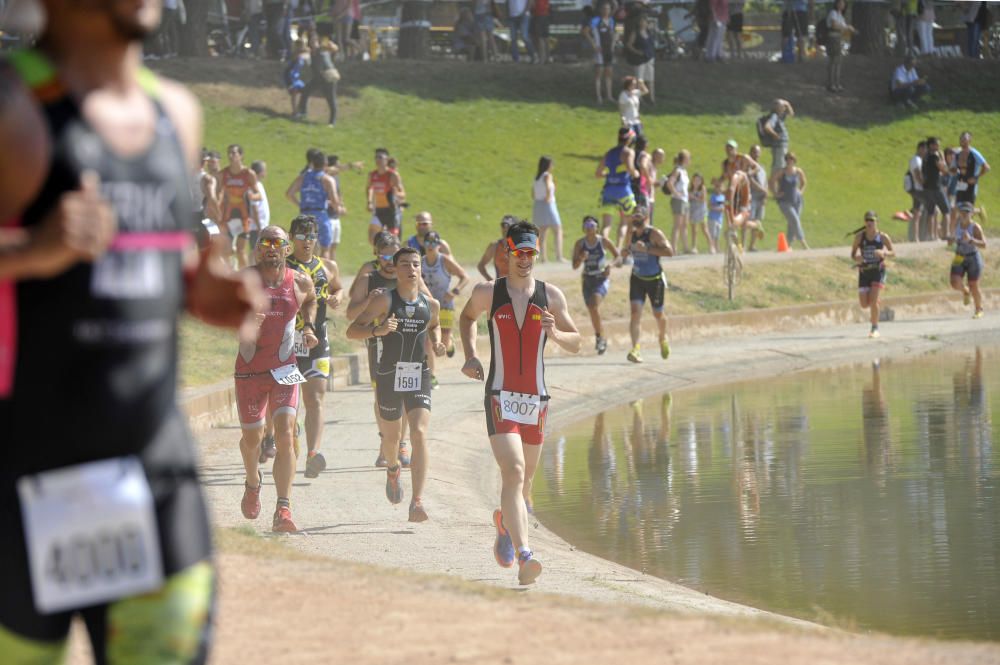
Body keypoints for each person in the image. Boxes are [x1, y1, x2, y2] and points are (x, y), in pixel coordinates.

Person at [0, 3, 264, 659]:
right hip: (22, 482)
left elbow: (151, 267)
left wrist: (197, 290)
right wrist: (30, 252)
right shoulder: (13, 107)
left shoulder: (177, 114)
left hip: (152, 475)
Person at [459, 221, 582, 585]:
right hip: (499, 395)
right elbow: (467, 318)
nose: (525, 259)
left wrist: (554, 332)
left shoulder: (551, 297)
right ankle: (526, 555)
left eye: (531, 253)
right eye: (519, 252)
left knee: (524, 485)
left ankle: (504, 523)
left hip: (536, 400)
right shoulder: (488, 292)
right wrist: (470, 354)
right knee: (512, 471)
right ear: (507, 252)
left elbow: (577, 340)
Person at [347, 248, 446, 521]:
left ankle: (417, 501)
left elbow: (435, 325)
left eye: (416, 264)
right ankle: (392, 469)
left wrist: (437, 342)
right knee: (392, 439)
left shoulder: (430, 304)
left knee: (419, 433)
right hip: (389, 375)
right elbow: (352, 330)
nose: (411, 269)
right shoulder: (384, 301)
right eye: (405, 264)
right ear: (396, 269)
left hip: (419, 375)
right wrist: (377, 330)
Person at [236, 227, 318, 533]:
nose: (272, 248)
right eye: (265, 243)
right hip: (249, 371)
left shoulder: (299, 280)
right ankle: (253, 482)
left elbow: (310, 299)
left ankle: (283, 508)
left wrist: (308, 326)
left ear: (287, 248)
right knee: (252, 440)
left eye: (278, 243)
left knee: (285, 435)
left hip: (285, 369)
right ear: (257, 250)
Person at [346, 233, 416, 468]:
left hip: (407, 342)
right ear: (376, 255)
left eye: (393, 256)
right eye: (384, 255)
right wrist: (369, 301)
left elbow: (426, 301)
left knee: (405, 395)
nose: (389, 260)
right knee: (382, 397)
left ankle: (402, 443)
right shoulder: (370, 277)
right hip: (379, 344)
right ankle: (387, 441)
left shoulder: (408, 276)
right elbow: (350, 314)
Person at [286, 215, 344, 478]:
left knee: (316, 396)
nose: (307, 241)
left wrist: (335, 298)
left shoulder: (328, 265)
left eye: (311, 236)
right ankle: (290, 431)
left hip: (318, 338)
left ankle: (313, 453)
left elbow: (339, 288)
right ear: (291, 238)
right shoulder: (283, 266)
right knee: (289, 399)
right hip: (287, 341)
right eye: (301, 236)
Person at [619, 205, 674, 363]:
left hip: (655, 279)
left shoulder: (654, 233)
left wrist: (648, 249)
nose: (635, 219)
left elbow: (669, 252)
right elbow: (627, 250)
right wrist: (624, 253)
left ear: (645, 218)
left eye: (638, 217)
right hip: (637, 277)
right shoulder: (631, 233)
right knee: (635, 313)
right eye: (634, 216)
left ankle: (662, 337)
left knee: (658, 314)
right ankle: (635, 349)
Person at [421, 231, 469, 378]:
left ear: (439, 245)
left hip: (445, 304)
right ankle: (431, 375)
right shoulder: (420, 262)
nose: (430, 246)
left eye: (434, 243)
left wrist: (454, 291)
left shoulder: (444, 260)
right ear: (424, 244)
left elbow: (464, 277)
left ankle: (450, 343)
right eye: (427, 243)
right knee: (428, 341)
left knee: (444, 343)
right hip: (429, 306)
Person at [572, 215, 620, 354]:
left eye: (592, 225)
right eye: (586, 226)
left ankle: (600, 338)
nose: (589, 229)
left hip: (601, 279)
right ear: (583, 228)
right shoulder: (580, 244)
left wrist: (610, 265)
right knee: (592, 310)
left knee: (593, 305)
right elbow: (575, 266)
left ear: (597, 227)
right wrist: (581, 258)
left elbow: (618, 257)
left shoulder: (603, 241)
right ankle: (601, 336)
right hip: (587, 280)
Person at [286, 149, 340, 260]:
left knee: (307, 246)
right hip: (320, 214)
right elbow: (335, 201)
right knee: (325, 248)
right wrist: (339, 208)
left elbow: (289, 193)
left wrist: (300, 204)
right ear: (325, 164)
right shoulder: (327, 179)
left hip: (304, 215)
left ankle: (307, 272)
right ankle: (322, 275)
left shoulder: (303, 177)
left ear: (312, 163)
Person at [851, 211, 895, 338]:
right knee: (864, 304)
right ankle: (875, 303)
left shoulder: (882, 237)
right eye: (867, 220)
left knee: (874, 300)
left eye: (872, 220)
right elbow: (853, 254)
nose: (869, 223)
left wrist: (884, 253)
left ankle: (874, 328)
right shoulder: (859, 237)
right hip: (864, 272)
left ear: (877, 222)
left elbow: (893, 252)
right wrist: (857, 258)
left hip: (878, 271)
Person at [219, 143, 261, 268]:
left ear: (241, 156)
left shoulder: (248, 173)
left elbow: (259, 194)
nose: (231, 156)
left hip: (244, 216)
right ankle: (228, 278)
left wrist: (251, 196)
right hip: (228, 216)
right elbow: (218, 194)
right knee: (226, 251)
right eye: (229, 153)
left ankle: (243, 277)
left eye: (234, 153)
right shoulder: (224, 173)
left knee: (240, 250)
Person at [596, 127, 639, 244]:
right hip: (623, 189)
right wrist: (636, 173)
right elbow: (630, 168)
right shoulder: (629, 152)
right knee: (626, 222)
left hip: (608, 189)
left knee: (606, 224)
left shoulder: (609, 153)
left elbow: (598, 173)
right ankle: (621, 251)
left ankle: (602, 250)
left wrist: (609, 174)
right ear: (629, 139)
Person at [948, 202, 987, 319]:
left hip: (973, 257)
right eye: (962, 212)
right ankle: (965, 291)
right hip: (959, 255)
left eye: (967, 213)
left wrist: (971, 240)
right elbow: (951, 240)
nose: (964, 215)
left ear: (971, 214)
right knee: (954, 282)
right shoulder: (956, 224)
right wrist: (950, 240)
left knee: (974, 284)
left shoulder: (975, 227)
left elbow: (984, 244)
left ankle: (978, 309)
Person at [298, 36, 340, 128]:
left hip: (329, 76)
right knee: (305, 91)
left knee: (331, 99)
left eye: (315, 42)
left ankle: (332, 122)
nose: (313, 44)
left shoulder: (321, 50)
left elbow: (333, 48)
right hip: (318, 78)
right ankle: (303, 112)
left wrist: (330, 46)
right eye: (312, 42)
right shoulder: (313, 52)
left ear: (318, 42)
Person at [367, 148, 406, 243]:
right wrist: (369, 202)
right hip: (379, 210)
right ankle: (381, 254)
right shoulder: (372, 175)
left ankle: (393, 256)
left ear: (386, 159)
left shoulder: (392, 175)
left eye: (380, 157)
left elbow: (403, 194)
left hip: (391, 211)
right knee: (372, 237)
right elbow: (369, 188)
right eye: (376, 157)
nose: (378, 160)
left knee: (393, 240)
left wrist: (395, 195)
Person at [770, 153, 808, 249]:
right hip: (784, 201)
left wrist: (801, 192)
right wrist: (775, 193)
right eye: (787, 159)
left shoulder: (798, 171)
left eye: (791, 159)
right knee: (794, 220)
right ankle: (803, 243)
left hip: (797, 201)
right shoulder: (782, 172)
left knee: (793, 222)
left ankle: (788, 244)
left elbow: (804, 182)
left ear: (794, 161)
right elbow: (771, 181)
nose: (789, 161)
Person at [532, 156, 564, 262]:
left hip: (538, 204)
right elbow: (548, 188)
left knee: (543, 231)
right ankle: (559, 256)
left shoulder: (537, 177)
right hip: (548, 204)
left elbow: (533, 193)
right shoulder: (547, 175)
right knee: (557, 229)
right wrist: (549, 197)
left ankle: (543, 258)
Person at [584, 0, 616, 104]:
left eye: (608, 9)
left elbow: (616, 32)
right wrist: (594, 45)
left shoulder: (612, 20)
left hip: (609, 50)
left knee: (609, 73)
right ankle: (599, 97)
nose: (606, 11)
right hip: (599, 49)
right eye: (604, 9)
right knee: (599, 73)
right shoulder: (595, 20)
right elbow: (585, 32)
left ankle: (609, 96)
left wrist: (614, 44)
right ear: (600, 10)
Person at [920, 136, 950, 241]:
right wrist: (942, 158)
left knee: (931, 212)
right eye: (937, 144)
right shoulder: (934, 156)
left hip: (927, 187)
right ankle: (946, 234)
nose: (939, 146)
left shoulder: (925, 157)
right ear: (931, 145)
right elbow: (944, 169)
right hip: (936, 187)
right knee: (946, 210)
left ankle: (931, 235)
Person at [954, 130, 991, 209]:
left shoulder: (974, 153)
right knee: (957, 209)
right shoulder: (958, 153)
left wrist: (976, 177)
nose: (962, 141)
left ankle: (978, 211)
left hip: (971, 186)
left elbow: (987, 167)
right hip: (960, 184)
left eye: (965, 139)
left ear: (969, 140)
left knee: (967, 210)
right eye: (961, 138)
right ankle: (978, 211)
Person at [625, 14, 656, 103]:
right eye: (641, 22)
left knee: (650, 79)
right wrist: (637, 52)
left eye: (645, 22)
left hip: (649, 58)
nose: (643, 23)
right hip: (639, 60)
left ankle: (651, 98)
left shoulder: (649, 32)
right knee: (639, 80)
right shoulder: (635, 33)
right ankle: (639, 99)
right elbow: (629, 45)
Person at [664, 149, 691, 254]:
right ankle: (673, 248)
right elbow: (670, 183)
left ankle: (685, 247)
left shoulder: (684, 171)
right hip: (678, 200)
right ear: (684, 159)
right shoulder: (677, 170)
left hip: (685, 200)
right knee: (677, 224)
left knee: (684, 224)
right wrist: (676, 193)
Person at [825, 0, 855, 93]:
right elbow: (834, 25)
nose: (841, 5)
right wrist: (846, 27)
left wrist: (849, 29)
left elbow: (843, 28)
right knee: (834, 61)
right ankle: (831, 84)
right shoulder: (833, 13)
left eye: (843, 3)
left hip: (839, 39)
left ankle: (837, 83)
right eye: (839, 3)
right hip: (833, 38)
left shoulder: (841, 16)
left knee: (838, 62)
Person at [760, 98, 794, 176]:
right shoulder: (774, 116)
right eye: (782, 106)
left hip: (781, 145)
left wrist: (787, 103)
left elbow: (791, 114)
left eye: (784, 107)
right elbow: (767, 127)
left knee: (780, 165)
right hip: (779, 146)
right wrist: (775, 134)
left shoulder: (780, 116)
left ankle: (776, 182)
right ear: (777, 107)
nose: (784, 108)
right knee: (779, 166)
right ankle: (775, 183)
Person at [477, 215, 515, 280]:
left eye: (508, 226)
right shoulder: (494, 246)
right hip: (501, 287)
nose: (505, 228)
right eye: (503, 225)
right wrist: (491, 281)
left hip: (518, 287)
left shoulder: (519, 246)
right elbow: (481, 266)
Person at [747, 144, 768, 251]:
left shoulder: (762, 167)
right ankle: (742, 243)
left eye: (758, 152)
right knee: (749, 220)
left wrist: (765, 194)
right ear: (750, 153)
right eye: (754, 151)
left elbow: (765, 182)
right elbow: (750, 181)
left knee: (758, 219)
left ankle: (752, 245)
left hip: (761, 197)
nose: (756, 154)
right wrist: (762, 190)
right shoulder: (749, 167)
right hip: (752, 196)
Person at [906, 140, 927, 240]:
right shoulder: (916, 159)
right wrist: (924, 184)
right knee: (917, 213)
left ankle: (917, 236)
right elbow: (917, 173)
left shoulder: (919, 159)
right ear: (920, 149)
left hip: (918, 189)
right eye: (925, 149)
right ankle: (916, 237)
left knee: (918, 212)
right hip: (917, 189)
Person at [284, 39, 310, 116]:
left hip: (296, 77)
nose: (302, 47)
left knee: (305, 92)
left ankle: (303, 110)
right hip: (290, 77)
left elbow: (307, 55)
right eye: (300, 45)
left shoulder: (303, 53)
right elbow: (299, 56)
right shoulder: (295, 54)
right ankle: (295, 112)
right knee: (294, 93)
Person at [689, 173, 712, 253]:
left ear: (701, 181)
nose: (696, 182)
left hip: (702, 210)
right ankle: (694, 247)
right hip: (693, 210)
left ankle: (711, 246)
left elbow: (703, 199)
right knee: (694, 230)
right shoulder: (691, 189)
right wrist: (690, 197)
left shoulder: (702, 188)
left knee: (704, 229)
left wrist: (693, 197)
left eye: (698, 180)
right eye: (695, 180)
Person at [250, 160, 271, 235]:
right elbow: (254, 208)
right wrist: (259, 227)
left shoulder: (259, 184)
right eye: (265, 170)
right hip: (256, 228)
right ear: (260, 172)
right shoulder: (253, 186)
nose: (266, 172)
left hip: (262, 226)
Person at [707, 177, 726, 254]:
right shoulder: (713, 196)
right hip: (713, 218)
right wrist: (717, 209)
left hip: (720, 218)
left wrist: (723, 209)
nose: (719, 189)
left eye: (720, 187)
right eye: (717, 187)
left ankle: (717, 246)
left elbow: (724, 206)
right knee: (713, 234)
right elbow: (710, 206)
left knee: (718, 234)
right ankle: (712, 247)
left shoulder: (723, 197)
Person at [531, 0, 552, 64]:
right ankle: (548, 58)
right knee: (546, 38)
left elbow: (533, 5)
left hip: (538, 15)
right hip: (546, 15)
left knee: (540, 38)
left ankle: (542, 59)